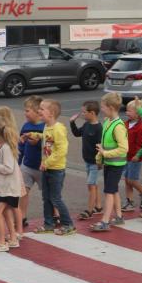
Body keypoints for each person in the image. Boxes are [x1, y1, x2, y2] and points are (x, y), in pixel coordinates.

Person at [31, 99, 75, 235]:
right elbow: (47, 138)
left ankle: (68, 224)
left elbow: (62, 150)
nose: (39, 111)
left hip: (56, 169)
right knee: (46, 197)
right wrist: (34, 135)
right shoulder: (47, 127)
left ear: (51, 114)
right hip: (47, 168)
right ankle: (49, 224)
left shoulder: (58, 129)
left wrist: (47, 163)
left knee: (55, 198)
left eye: (42, 109)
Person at [91, 93, 129, 232]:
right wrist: (100, 158)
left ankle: (105, 221)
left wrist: (105, 154)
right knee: (113, 190)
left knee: (109, 192)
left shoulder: (118, 126)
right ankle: (119, 217)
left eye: (103, 107)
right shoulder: (108, 121)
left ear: (111, 107)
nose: (101, 109)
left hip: (116, 164)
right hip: (109, 163)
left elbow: (124, 148)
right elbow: (103, 144)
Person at [0, 116, 24, 252]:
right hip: (9, 187)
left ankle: (2, 242)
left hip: (7, 188)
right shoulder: (5, 145)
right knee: (7, 212)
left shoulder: (5, 147)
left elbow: (9, 168)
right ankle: (13, 239)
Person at [70, 100, 103, 220]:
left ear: (92, 113)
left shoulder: (99, 128)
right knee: (93, 184)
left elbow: (100, 147)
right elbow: (77, 133)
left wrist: (100, 161)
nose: (82, 114)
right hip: (87, 161)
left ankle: (89, 210)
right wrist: (72, 122)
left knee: (91, 185)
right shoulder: (86, 125)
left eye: (84, 112)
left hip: (95, 162)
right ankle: (98, 206)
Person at [18, 96, 44, 227]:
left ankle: (55, 215)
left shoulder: (46, 127)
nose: (25, 113)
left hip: (42, 167)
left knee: (48, 194)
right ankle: (22, 216)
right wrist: (18, 163)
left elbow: (50, 146)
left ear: (38, 111)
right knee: (23, 191)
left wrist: (38, 142)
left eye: (27, 110)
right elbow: (21, 145)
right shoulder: (26, 126)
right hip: (27, 165)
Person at [122, 99, 142, 212]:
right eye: (127, 110)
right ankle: (129, 201)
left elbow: (141, 145)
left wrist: (138, 155)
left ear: (138, 113)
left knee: (132, 180)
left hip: (135, 158)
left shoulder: (141, 128)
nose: (127, 113)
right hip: (126, 156)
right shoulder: (126, 124)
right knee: (127, 180)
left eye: (130, 111)